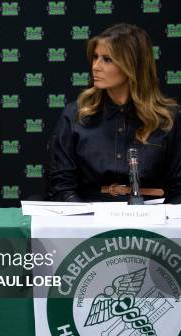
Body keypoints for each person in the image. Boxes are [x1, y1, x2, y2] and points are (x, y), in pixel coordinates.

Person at [48, 23, 180, 203]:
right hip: (89, 217)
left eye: (107, 59)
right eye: (95, 57)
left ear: (133, 66)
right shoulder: (75, 115)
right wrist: (85, 221)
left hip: (152, 220)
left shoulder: (168, 119)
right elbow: (62, 187)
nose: (96, 66)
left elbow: (178, 188)